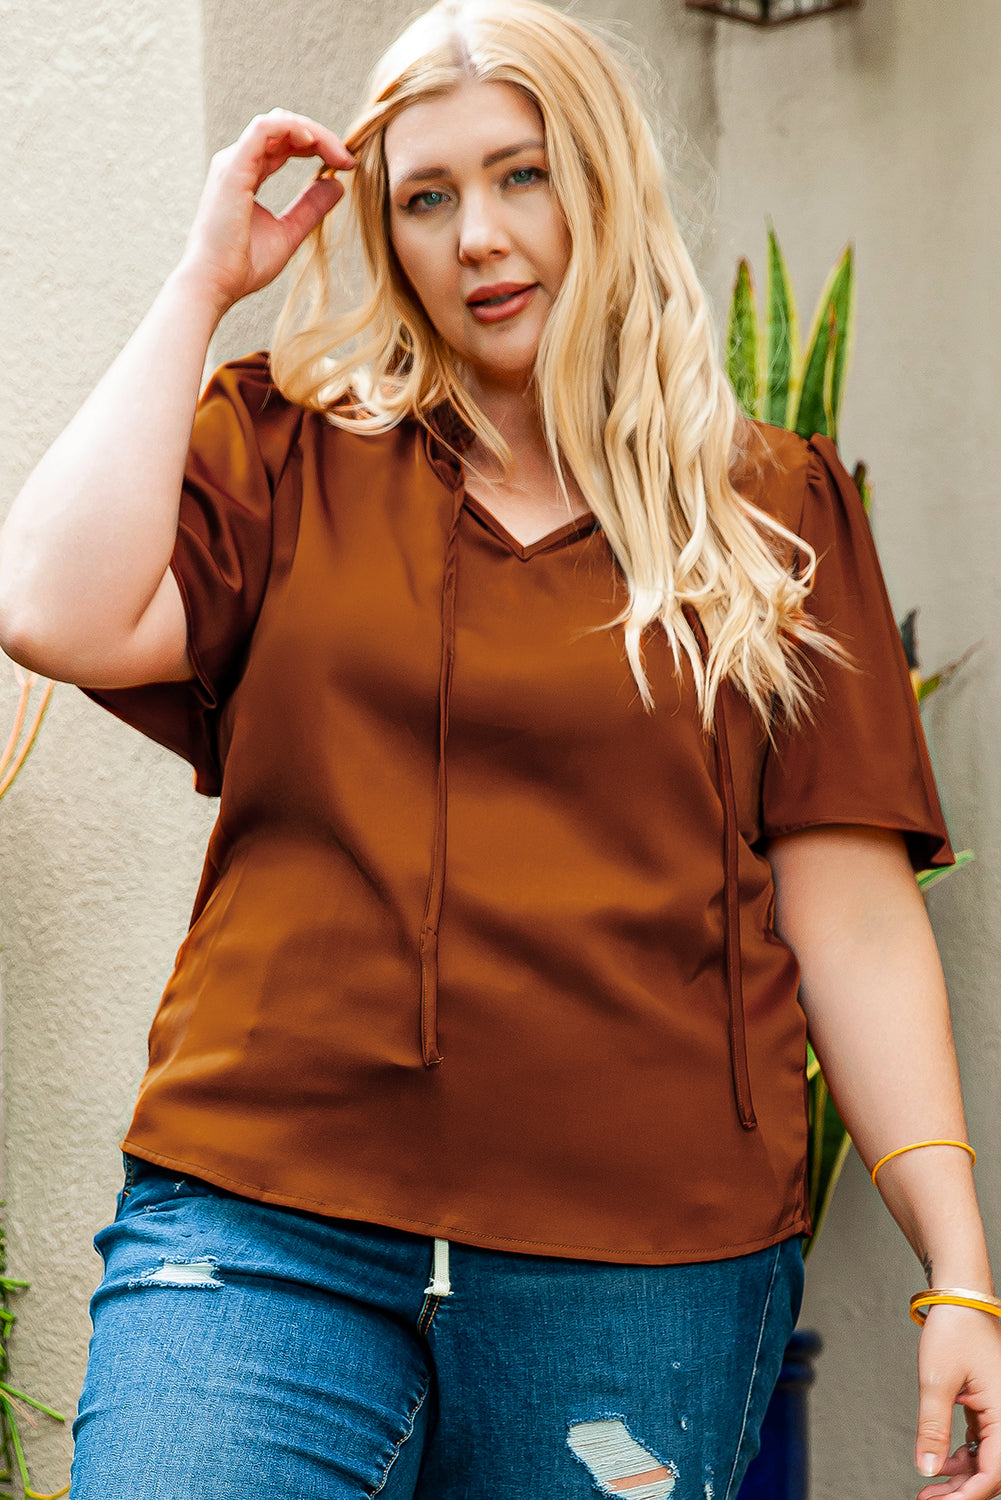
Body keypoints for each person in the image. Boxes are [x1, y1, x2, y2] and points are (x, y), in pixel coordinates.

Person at [1, 1, 999, 1496]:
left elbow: (849, 917)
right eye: (426, 196)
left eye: (522, 175)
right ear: (388, 234)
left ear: (602, 183)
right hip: (265, 1220)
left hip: (642, 1267)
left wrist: (956, 1266)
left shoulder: (771, 515)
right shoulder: (285, 449)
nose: (478, 234)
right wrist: (204, 280)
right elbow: (48, 609)